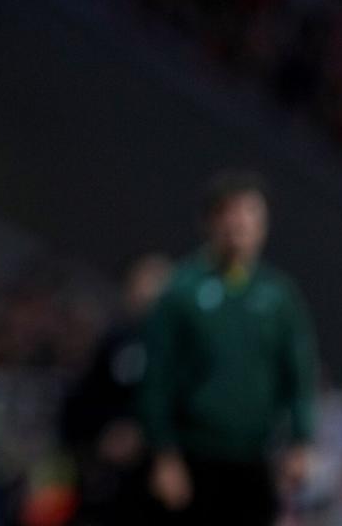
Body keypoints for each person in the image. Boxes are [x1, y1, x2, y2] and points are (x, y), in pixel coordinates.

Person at [139, 171, 318, 526]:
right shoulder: (182, 289)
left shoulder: (279, 296)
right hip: (192, 457)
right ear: (210, 221)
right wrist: (163, 454)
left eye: (251, 214)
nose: (240, 224)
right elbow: (156, 376)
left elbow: (298, 373)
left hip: (254, 458)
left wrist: (301, 441)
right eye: (230, 213)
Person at [60, 252, 172, 525]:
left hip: (149, 484)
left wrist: (143, 434)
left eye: (158, 284)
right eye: (141, 282)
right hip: (99, 476)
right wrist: (100, 435)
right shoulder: (115, 342)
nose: (147, 292)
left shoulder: (184, 356)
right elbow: (82, 401)